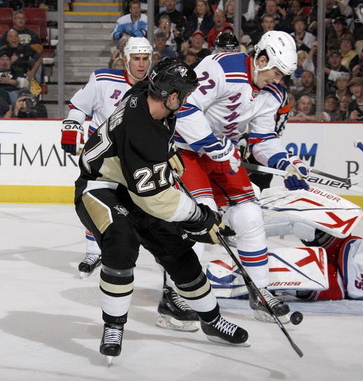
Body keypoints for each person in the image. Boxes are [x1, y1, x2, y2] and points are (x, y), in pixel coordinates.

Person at [74, 57, 249, 360]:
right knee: (121, 242)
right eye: (185, 95)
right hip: (101, 188)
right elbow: (154, 199)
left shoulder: (149, 99)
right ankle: (113, 325)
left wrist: (169, 161)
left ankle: (211, 319)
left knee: (179, 251)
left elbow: (156, 161)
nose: (187, 100)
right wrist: (200, 217)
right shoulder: (141, 128)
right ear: (171, 96)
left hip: (132, 185)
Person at [174, 30, 307, 323]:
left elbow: (262, 140)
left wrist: (286, 163)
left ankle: (260, 291)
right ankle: (177, 295)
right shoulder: (221, 66)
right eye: (275, 71)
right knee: (200, 218)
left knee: (250, 216)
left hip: (222, 155)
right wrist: (213, 145)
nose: (277, 80)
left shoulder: (272, 93)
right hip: (187, 151)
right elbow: (183, 106)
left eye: (282, 75)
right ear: (260, 59)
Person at [60, 37, 153, 277]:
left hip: (134, 158)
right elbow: (79, 107)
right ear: (125, 59)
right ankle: (93, 251)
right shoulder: (103, 79)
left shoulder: (156, 87)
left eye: (145, 59)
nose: (141, 65)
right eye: (136, 59)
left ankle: (126, 249)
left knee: (132, 209)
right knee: (95, 200)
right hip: (100, 155)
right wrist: (71, 127)